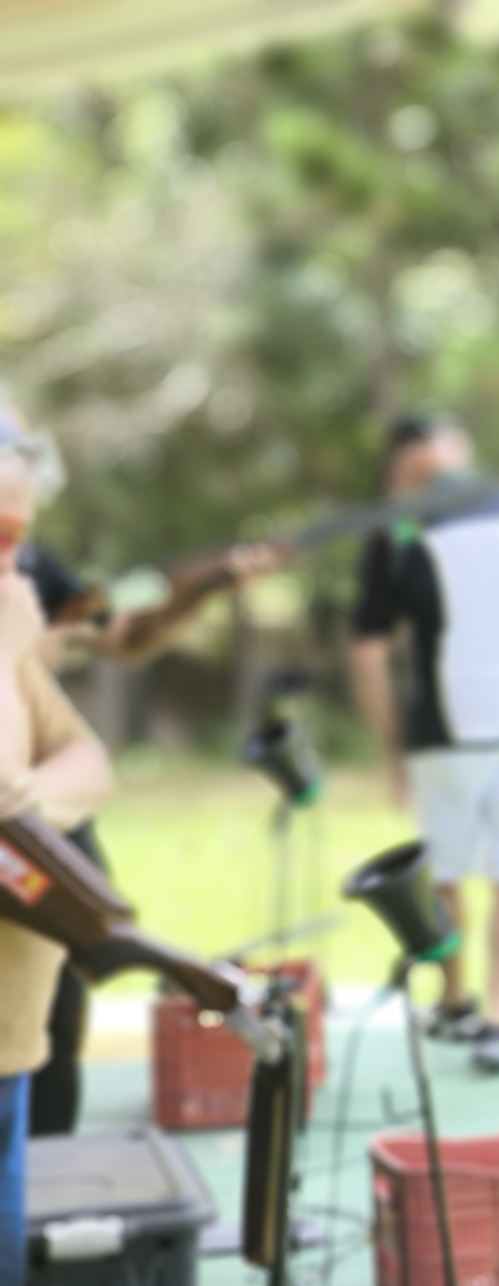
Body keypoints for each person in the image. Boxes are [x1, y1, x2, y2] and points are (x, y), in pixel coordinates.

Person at [0, 392, 282, 1138]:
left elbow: (121, 647)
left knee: (57, 1018)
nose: (12, 557)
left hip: (40, 826)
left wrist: (204, 588)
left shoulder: (31, 569)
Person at [348, 411, 499, 1074]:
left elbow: (370, 653)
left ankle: (455, 1002)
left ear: (402, 468)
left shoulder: (397, 526)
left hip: (447, 730)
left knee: (449, 873)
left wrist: (392, 745)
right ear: (460, 451)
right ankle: (498, 1022)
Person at [0, 412, 119, 1286]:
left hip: (14, 1040)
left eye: (20, 536)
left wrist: (30, 800)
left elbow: (87, 757)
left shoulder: (8, 631)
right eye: (2, 536)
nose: (19, 565)